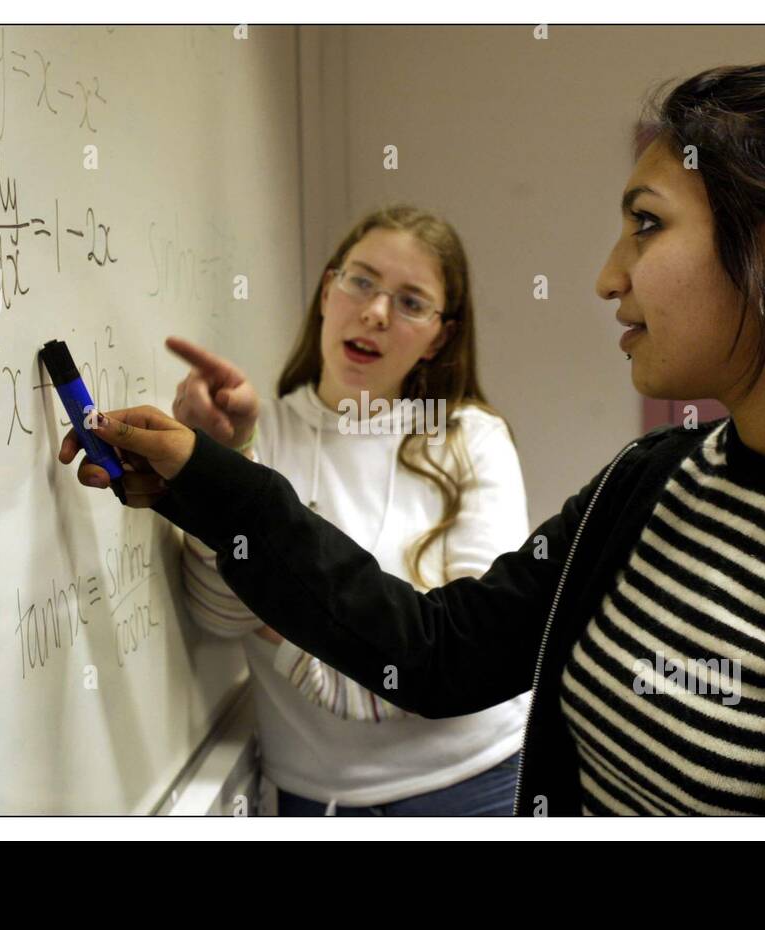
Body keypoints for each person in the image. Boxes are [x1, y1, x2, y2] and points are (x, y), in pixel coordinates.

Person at [60, 55, 765, 816]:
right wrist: (205, 478)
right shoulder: (650, 484)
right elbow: (434, 650)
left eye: (647, 226)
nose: (607, 277)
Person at [166, 205, 531, 815]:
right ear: (327, 290)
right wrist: (224, 463)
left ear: (439, 335)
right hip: (315, 798)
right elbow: (216, 615)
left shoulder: (472, 437)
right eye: (360, 281)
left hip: (476, 786)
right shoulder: (262, 434)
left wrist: (278, 598)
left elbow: (466, 655)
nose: (376, 312)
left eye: (411, 302)